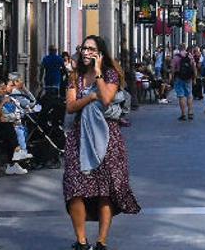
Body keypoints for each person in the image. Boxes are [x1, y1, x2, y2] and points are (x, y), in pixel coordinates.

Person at [64, 35, 140, 250]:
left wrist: (98, 73)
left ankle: (101, 242)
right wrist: (89, 98)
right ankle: (81, 241)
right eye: (83, 48)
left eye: (91, 49)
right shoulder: (75, 76)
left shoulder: (110, 73)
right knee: (74, 188)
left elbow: (106, 98)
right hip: (79, 138)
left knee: (105, 190)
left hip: (108, 137)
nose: (86, 52)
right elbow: (70, 106)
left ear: (100, 53)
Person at [171, 45, 197, 121]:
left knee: (181, 96)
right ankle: (190, 112)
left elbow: (173, 69)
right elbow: (194, 67)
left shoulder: (176, 57)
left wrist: (172, 77)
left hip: (179, 77)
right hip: (188, 78)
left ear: (179, 49)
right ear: (185, 48)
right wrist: (194, 77)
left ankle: (183, 114)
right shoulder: (190, 56)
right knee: (189, 95)